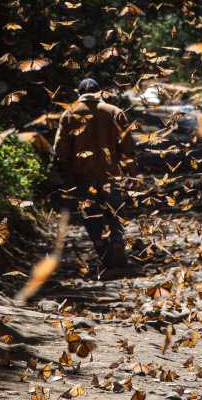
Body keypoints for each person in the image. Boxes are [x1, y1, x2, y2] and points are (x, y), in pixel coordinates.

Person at [52, 77, 135, 270]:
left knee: (91, 214)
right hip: (111, 174)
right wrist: (130, 170)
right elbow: (128, 146)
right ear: (100, 93)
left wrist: (64, 169)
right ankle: (116, 240)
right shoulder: (115, 112)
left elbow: (60, 149)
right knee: (114, 210)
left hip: (83, 175)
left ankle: (102, 248)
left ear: (79, 94)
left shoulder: (69, 114)